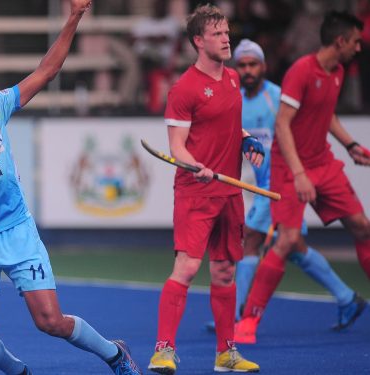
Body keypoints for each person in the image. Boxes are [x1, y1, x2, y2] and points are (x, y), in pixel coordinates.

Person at [0, 1, 140, 374]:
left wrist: (74, 18)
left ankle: (115, 354)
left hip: (17, 231)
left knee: (50, 321)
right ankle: (19, 372)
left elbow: (47, 71)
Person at [203, 40, 365, 334]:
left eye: (254, 64)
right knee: (292, 246)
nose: (248, 70)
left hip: (283, 181)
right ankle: (347, 298)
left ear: (263, 66)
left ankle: (236, 315)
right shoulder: (234, 100)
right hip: (268, 187)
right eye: (242, 65)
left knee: (250, 239)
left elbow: (312, 121)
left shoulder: (278, 96)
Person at [146, 5, 262, 374]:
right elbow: (177, 145)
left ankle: (226, 354)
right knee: (188, 266)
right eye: (217, 33)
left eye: (227, 32)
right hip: (196, 191)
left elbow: (228, 125)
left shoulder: (231, 80)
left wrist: (245, 140)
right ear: (199, 41)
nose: (227, 38)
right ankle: (163, 350)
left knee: (225, 272)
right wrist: (194, 165)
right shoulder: (185, 88)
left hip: (229, 191)